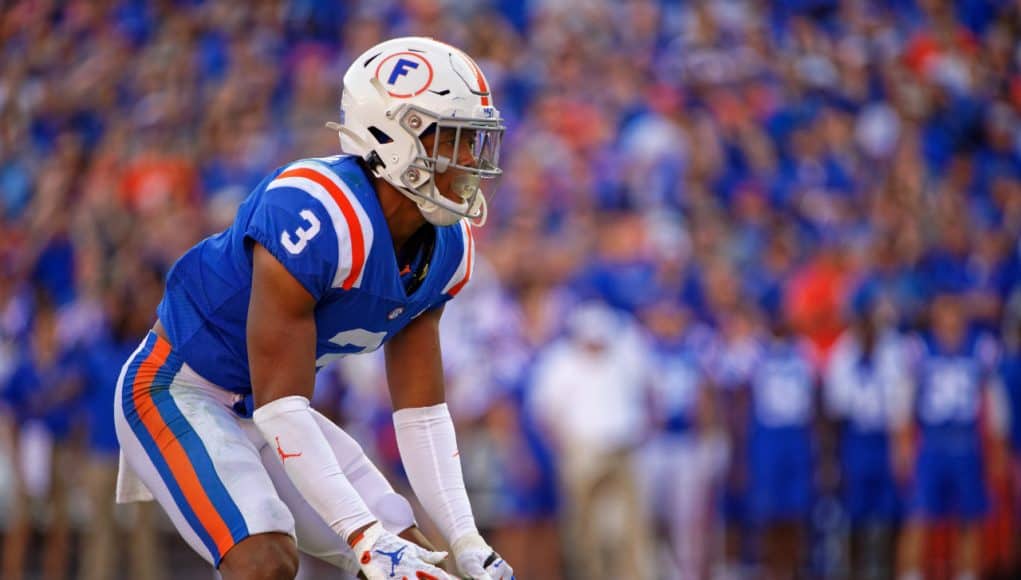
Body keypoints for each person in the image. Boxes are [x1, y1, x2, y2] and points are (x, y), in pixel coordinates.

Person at [113, 37, 513, 580]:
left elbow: (421, 415)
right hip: (181, 387)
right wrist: (364, 537)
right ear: (393, 137)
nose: (470, 160)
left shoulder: (444, 246)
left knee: (413, 556)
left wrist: (466, 540)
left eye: (474, 141)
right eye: (454, 139)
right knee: (265, 559)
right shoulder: (314, 214)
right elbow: (283, 407)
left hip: (267, 406)